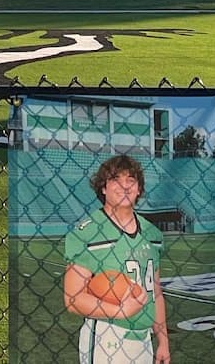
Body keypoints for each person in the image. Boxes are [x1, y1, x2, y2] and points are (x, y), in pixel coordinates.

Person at [64, 154, 170, 364]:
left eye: (131, 180)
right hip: (107, 335)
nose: (125, 186)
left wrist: (163, 342)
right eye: (116, 180)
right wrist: (119, 311)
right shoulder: (87, 233)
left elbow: (156, 293)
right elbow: (73, 299)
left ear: (139, 189)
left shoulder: (152, 234)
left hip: (144, 338)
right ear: (103, 188)